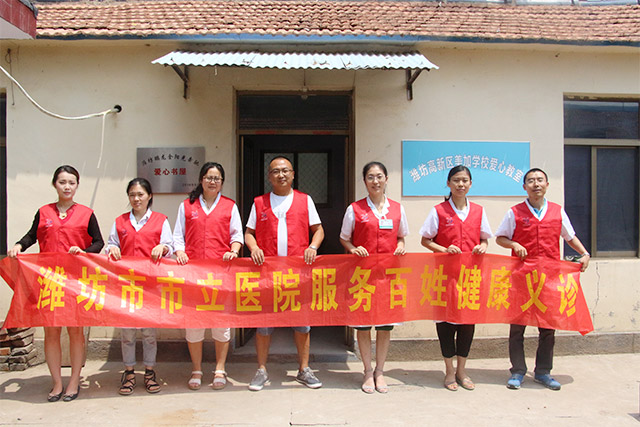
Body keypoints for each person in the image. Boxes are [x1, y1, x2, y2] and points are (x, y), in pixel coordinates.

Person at [7, 165, 104, 402]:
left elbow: (98, 242)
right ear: (54, 184)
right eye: (62, 182)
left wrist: (83, 251)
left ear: (77, 186)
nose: (67, 187)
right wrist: (19, 245)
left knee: (75, 331)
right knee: (51, 331)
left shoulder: (86, 213)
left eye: (72, 182)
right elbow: (31, 236)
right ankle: (57, 382)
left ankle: (74, 381)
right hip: (49, 281)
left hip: (76, 281)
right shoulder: (43, 212)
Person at [496, 167, 590, 391]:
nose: (536, 184)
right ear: (524, 187)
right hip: (521, 279)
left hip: (549, 279)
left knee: (548, 327)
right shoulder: (514, 212)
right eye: (531, 181)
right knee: (517, 327)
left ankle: (543, 372)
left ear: (547, 185)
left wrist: (585, 253)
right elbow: (500, 238)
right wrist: (514, 243)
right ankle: (518, 370)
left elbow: (570, 237)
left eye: (540, 180)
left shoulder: (557, 211)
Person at [245, 156, 325, 391]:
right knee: (264, 324)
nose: (281, 175)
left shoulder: (304, 200)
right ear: (269, 176)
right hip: (267, 274)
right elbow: (249, 232)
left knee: (302, 323)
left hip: (297, 274)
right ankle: (261, 369)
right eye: (275, 171)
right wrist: (254, 248)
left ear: (293, 174)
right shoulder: (259, 202)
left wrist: (313, 247)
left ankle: (304, 369)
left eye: (285, 170)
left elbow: (318, 230)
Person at [419, 165, 492, 391]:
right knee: (445, 323)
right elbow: (425, 240)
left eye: (465, 180)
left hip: (470, 277)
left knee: (467, 323)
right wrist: (443, 249)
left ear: (470, 184)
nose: (461, 184)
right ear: (448, 184)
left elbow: (485, 239)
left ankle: (462, 370)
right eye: (456, 180)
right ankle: (449, 370)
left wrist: (482, 246)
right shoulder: (439, 211)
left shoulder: (479, 211)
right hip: (445, 277)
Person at [339, 161, 408, 394]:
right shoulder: (355, 209)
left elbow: (401, 237)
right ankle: (367, 371)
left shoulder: (397, 209)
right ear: (364, 181)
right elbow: (344, 238)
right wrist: (352, 248)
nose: (375, 181)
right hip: (362, 277)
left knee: (385, 326)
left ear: (386, 179)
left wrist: (400, 246)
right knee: (363, 325)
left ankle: (380, 371)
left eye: (379, 176)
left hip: (388, 277)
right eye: (370, 177)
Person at [173, 162, 243, 391]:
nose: (213, 182)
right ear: (201, 180)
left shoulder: (230, 206)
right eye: (209, 177)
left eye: (217, 178)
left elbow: (237, 235)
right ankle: (196, 369)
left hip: (221, 274)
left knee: (221, 324)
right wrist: (180, 252)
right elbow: (177, 236)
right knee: (194, 324)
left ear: (222, 182)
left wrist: (234, 250)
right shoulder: (187, 206)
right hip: (193, 274)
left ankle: (220, 369)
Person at [105, 178, 173, 395]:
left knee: (149, 332)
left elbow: (170, 246)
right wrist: (112, 249)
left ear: (149, 196)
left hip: (150, 285)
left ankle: (150, 372)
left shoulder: (160, 220)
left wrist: (163, 247)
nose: (136, 199)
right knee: (127, 333)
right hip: (125, 285)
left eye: (140, 194)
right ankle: (129, 372)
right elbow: (111, 244)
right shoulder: (120, 221)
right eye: (132, 195)